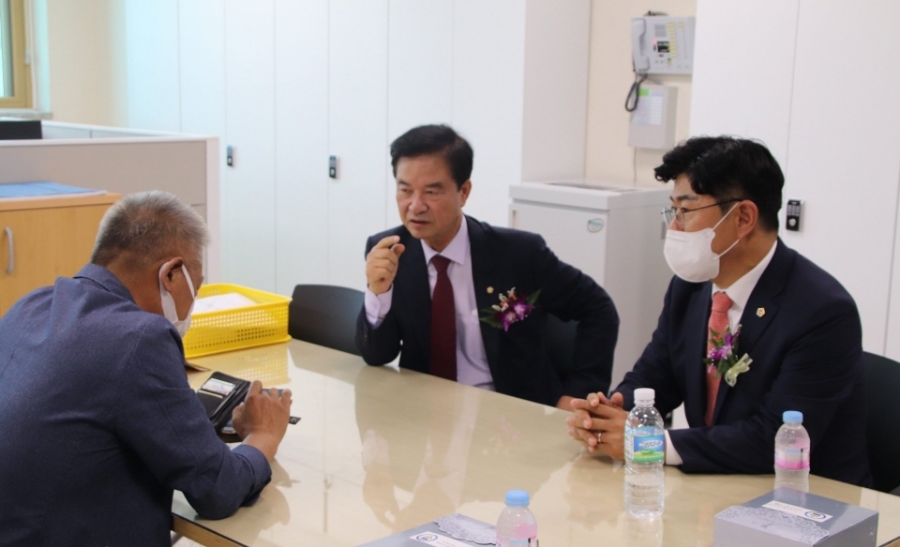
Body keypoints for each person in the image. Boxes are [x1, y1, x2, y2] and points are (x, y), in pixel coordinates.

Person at [565, 136, 871, 487]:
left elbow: (775, 437)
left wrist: (652, 444)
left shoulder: (822, 311)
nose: (675, 227)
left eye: (686, 210)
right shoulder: (690, 287)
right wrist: (611, 413)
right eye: (672, 211)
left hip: (808, 496)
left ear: (743, 217)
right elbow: (656, 374)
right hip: (716, 484)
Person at [0, 191, 293, 546]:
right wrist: (263, 435)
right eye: (196, 290)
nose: (192, 306)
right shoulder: (140, 337)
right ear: (171, 274)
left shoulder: (29, 305)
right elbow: (218, 489)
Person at [355, 124, 619, 409]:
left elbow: (598, 309)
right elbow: (377, 355)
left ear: (464, 192)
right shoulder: (390, 251)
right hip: (425, 411)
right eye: (405, 190)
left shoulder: (519, 254)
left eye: (431, 192)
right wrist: (378, 292)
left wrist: (579, 391)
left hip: (510, 414)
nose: (415, 206)